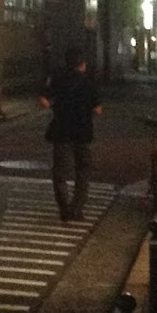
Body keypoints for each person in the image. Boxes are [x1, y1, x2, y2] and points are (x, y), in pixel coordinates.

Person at [40, 47, 102, 221]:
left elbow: (43, 99)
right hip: (82, 131)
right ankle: (77, 208)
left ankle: (64, 208)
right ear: (82, 65)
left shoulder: (58, 79)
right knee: (83, 170)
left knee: (60, 172)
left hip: (61, 130)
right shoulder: (88, 83)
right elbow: (98, 109)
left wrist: (54, 107)